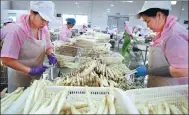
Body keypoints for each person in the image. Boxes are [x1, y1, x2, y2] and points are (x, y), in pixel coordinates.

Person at [1, 1, 57, 93]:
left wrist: (50, 53)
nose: (45, 23)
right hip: (18, 79)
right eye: (42, 19)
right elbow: (6, 59)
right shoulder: (16, 31)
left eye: (47, 20)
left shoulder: (44, 29)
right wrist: (30, 70)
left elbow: (48, 45)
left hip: (37, 78)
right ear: (31, 12)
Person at [135, 1, 188, 87]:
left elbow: (181, 70)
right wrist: (148, 66)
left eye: (148, 21)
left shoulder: (174, 35)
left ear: (159, 15)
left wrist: (148, 71)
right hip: (160, 86)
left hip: (171, 91)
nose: (147, 26)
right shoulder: (163, 33)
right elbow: (163, 59)